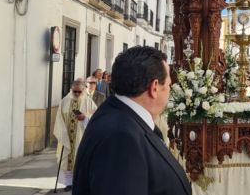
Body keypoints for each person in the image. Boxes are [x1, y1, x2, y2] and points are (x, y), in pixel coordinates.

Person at [73, 46, 191, 195]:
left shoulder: (121, 117)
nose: (170, 89)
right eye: (168, 85)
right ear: (154, 87)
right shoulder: (121, 137)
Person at [53, 78, 97, 191]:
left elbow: (97, 118)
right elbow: (59, 118)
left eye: (79, 91)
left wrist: (85, 119)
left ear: (83, 90)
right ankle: (68, 184)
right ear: (71, 90)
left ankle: (79, 183)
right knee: (67, 159)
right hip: (67, 136)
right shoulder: (64, 101)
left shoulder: (88, 102)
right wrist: (62, 133)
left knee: (80, 159)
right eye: (75, 91)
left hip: (81, 136)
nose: (77, 93)